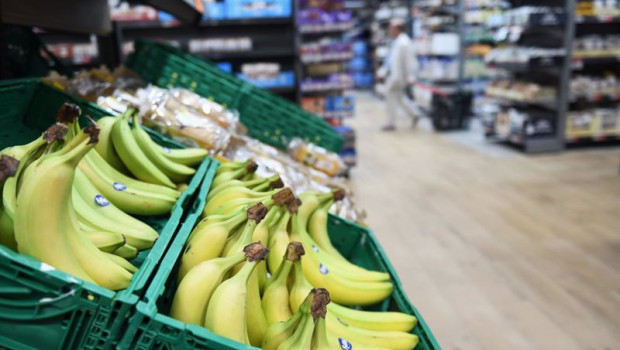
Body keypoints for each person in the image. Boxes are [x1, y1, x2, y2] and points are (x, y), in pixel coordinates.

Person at [377, 18, 419, 131]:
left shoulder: (405, 43)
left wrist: (410, 76)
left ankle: (390, 123)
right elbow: (390, 60)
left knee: (389, 95)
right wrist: (382, 71)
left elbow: (410, 61)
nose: (390, 31)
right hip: (394, 75)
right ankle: (414, 114)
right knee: (399, 97)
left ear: (397, 29)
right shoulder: (397, 42)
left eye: (391, 28)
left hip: (399, 76)